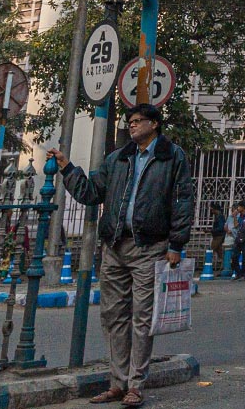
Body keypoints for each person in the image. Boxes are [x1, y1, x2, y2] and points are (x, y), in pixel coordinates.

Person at [50, 102, 194, 408]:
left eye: (138, 121)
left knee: (141, 318)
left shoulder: (172, 157)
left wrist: (176, 245)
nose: (132, 125)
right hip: (114, 246)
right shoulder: (119, 158)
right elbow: (91, 193)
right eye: (130, 121)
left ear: (154, 124)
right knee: (113, 316)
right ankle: (117, 383)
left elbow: (183, 201)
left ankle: (135, 385)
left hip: (150, 247)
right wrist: (66, 167)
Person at [208, 206, 228, 280]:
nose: (211, 211)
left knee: (211, 250)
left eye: (212, 209)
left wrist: (211, 230)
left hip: (218, 236)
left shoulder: (220, 217)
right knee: (220, 253)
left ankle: (209, 266)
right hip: (218, 236)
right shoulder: (218, 216)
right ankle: (224, 267)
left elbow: (220, 228)